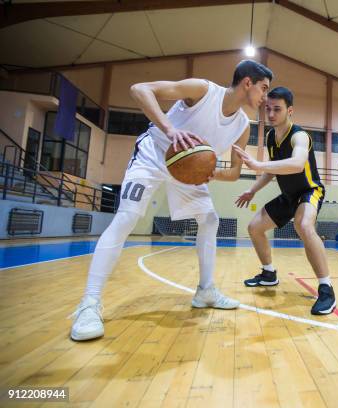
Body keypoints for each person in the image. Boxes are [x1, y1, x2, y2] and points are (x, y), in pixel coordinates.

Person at [70, 60, 273, 341]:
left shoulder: (242, 126)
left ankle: (205, 291)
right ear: (247, 82)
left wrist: (208, 172)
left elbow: (235, 173)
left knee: (210, 220)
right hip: (154, 153)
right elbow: (140, 89)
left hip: (186, 170)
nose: (265, 98)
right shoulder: (202, 90)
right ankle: (89, 304)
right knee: (127, 216)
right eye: (263, 89)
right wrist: (169, 129)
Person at [233, 87, 335, 315]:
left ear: (290, 111)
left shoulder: (300, 136)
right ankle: (269, 274)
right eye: (268, 109)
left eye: (276, 109)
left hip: (310, 191)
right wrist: (252, 190)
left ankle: (326, 288)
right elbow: (272, 171)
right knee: (254, 228)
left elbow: (297, 163)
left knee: (304, 224)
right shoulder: (271, 137)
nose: (270, 114)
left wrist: (258, 165)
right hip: (289, 195)